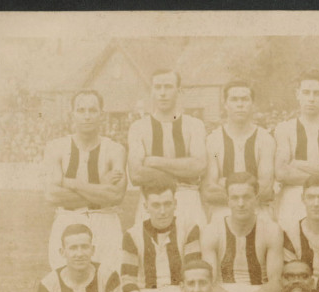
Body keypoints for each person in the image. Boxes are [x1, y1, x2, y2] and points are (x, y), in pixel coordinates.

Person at [121, 178, 202, 292]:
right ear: (146, 206)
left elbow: (193, 272)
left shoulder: (189, 228)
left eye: (167, 204)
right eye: (156, 205)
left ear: (175, 204)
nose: (163, 211)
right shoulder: (132, 235)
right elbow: (127, 280)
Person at [45, 90, 127, 273]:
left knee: (107, 284)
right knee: (67, 286)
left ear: (102, 115)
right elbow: (52, 195)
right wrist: (101, 188)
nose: (87, 116)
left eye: (92, 110)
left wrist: (72, 183)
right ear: (72, 114)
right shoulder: (56, 147)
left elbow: (116, 195)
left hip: (106, 221)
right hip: (67, 219)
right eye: (81, 110)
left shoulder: (115, 149)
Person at [127, 69, 208, 226]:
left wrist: (154, 161)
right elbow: (136, 174)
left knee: (193, 247)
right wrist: (182, 169)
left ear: (178, 90)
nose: (162, 93)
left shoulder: (194, 125)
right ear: (151, 91)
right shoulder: (138, 127)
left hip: (187, 198)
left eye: (168, 87)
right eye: (158, 87)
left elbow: (199, 166)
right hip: (151, 200)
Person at [201, 172, 284, 292]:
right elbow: (209, 282)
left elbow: (276, 281)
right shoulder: (212, 230)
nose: (240, 204)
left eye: (246, 197)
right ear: (228, 201)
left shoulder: (271, 229)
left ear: (256, 199)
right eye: (235, 198)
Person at [273, 69, 319, 229]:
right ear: (298, 94)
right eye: (306, 93)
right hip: (294, 200)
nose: (311, 99)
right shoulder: (285, 128)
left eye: (316, 93)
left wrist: (297, 164)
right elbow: (282, 172)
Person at [203, 79, 276, 222]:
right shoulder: (213, 140)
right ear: (225, 104)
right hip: (223, 211)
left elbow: (266, 190)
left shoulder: (265, 139)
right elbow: (209, 191)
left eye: (245, 99)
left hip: (258, 212)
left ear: (253, 104)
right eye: (234, 99)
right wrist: (250, 188)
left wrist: (225, 183)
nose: (240, 104)